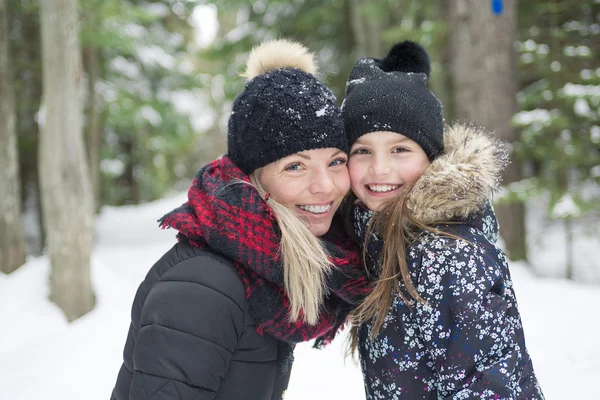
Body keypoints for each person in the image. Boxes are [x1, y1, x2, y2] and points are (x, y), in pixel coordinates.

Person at [110, 39, 369, 400]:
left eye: (336, 161)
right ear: (253, 177)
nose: (325, 186)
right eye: (295, 166)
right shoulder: (204, 288)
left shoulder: (271, 267)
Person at [341, 41, 545, 399]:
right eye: (362, 150)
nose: (379, 168)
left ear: (431, 157)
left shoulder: (444, 254)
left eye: (400, 149)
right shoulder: (379, 237)